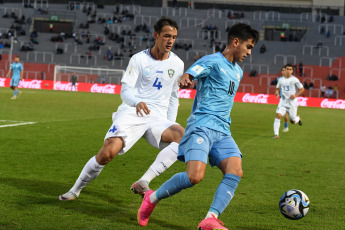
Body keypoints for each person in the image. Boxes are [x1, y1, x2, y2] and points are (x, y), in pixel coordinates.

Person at [137, 23, 259, 230]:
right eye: (248, 47)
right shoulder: (211, 61)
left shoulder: (237, 72)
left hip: (223, 131)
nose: (249, 52)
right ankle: (152, 198)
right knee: (195, 176)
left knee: (235, 171)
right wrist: (186, 79)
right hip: (201, 126)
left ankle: (210, 218)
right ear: (236, 42)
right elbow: (190, 74)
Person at [58, 17, 185, 201]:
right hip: (132, 112)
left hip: (157, 117)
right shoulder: (139, 59)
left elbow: (174, 96)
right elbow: (125, 91)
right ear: (156, 35)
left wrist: (171, 122)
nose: (170, 40)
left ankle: (144, 180)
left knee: (183, 137)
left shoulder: (177, 63)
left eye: (174, 37)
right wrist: (136, 103)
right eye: (166, 36)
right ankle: (75, 190)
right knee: (108, 153)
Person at [273, 64, 304, 139]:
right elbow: (277, 88)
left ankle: (297, 118)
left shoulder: (295, 80)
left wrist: (295, 95)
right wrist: (277, 92)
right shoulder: (280, 80)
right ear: (285, 70)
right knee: (278, 115)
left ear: (292, 71)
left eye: (290, 69)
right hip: (283, 102)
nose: (289, 71)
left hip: (292, 103)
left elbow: (302, 89)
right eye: (287, 69)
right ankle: (276, 135)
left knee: (292, 121)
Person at [277, 66, 290, 133]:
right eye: (282, 70)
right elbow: (278, 88)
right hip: (281, 99)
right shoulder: (279, 79)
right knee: (280, 114)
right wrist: (277, 94)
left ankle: (286, 127)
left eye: (284, 70)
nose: (283, 72)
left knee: (285, 115)